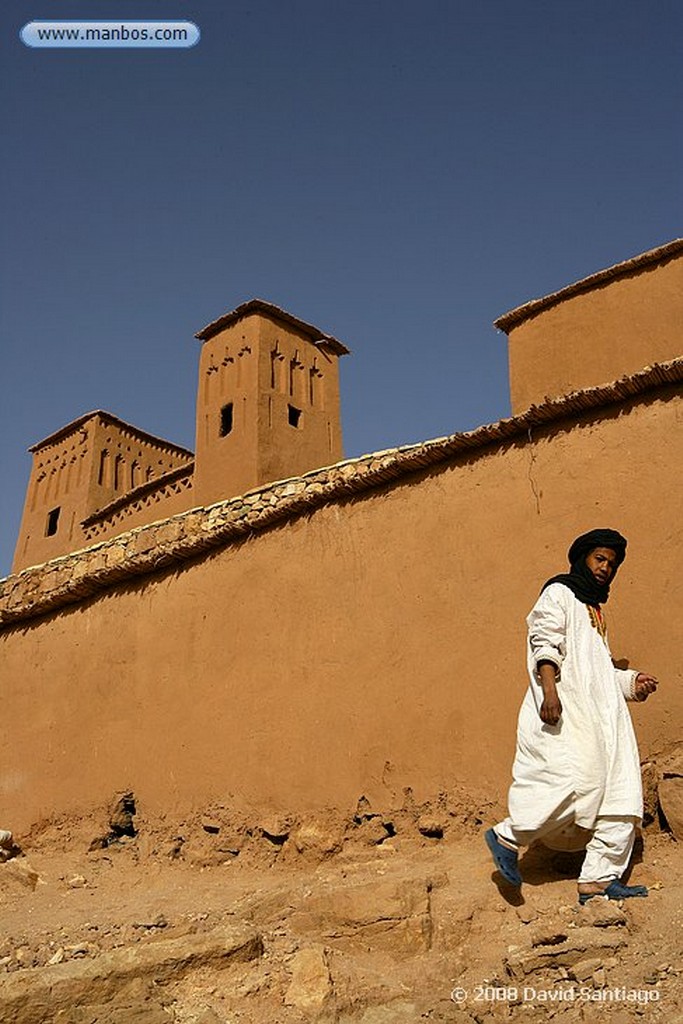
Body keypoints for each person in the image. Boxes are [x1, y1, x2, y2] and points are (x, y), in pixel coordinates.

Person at [485, 529, 658, 903]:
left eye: (611, 564)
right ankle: (507, 837)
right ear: (583, 558)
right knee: (571, 786)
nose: (605, 568)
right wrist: (549, 691)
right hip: (567, 712)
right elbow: (544, 642)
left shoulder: (595, 611)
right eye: (600, 559)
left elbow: (598, 672)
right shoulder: (559, 593)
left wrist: (632, 683)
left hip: (606, 722)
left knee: (621, 798)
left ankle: (598, 879)